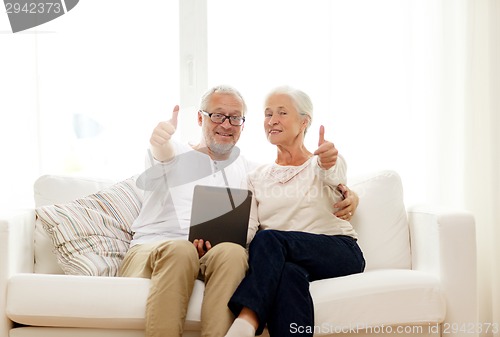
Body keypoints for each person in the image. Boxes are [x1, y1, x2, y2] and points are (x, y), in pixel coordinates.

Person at [118, 85, 360, 337]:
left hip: (215, 253)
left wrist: (352, 195)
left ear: (243, 125)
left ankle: (241, 327)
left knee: (234, 253)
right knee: (184, 250)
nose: (227, 124)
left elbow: (326, 174)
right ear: (200, 118)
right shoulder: (177, 152)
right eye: (218, 115)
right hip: (159, 249)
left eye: (235, 118)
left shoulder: (249, 170)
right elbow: (163, 155)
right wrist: (160, 141)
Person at [225, 86, 366, 337]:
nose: (272, 120)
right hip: (288, 261)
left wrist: (328, 160)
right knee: (288, 275)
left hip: (338, 252)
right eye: (268, 114)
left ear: (304, 122)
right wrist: (216, 243)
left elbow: (333, 172)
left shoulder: (320, 163)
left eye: (282, 113)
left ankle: (247, 319)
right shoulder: (256, 177)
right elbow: (248, 229)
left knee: (269, 238)